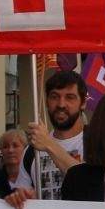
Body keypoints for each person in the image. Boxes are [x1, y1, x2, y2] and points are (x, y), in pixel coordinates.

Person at [20, 69, 87, 201]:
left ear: (83, 103)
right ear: (46, 102)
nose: (61, 104)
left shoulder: (97, 143)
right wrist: (20, 197)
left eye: (70, 97)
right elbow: (23, 198)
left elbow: (87, 185)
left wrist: (49, 144)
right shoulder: (31, 152)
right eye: (54, 97)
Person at [0, 129, 33, 201]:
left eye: (15, 146)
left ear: (25, 149)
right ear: (1, 151)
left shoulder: (35, 180)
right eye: (5, 147)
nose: (10, 150)